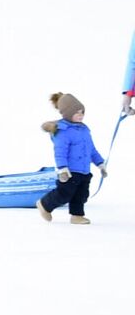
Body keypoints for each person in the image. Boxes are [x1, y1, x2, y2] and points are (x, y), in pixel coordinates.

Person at [37, 91, 105, 225]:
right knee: (64, 194)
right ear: (67, 113)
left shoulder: (84, 130)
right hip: (69, 171)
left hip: (84, 170)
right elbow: (60, 152)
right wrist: (62, 168)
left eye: (82, 112)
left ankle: (77, 216)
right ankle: (44, 204)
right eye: (77, 112)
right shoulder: (63, 131)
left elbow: (91, 150)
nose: (80, 115)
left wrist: (100, 163)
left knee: (81, 195)